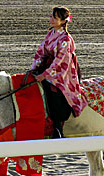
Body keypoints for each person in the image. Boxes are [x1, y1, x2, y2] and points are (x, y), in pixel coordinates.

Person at [31, 6, 88, 138]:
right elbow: (41, 52)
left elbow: (60, 61)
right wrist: (34, 68)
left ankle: (57, 126)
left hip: (62, 71)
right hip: (48, 67)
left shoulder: (65, 39)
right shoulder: (50, 34)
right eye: (51, 16)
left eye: (54, 17)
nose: (50, 19)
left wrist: (44, 75)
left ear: (63, 21)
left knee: (53, 90)